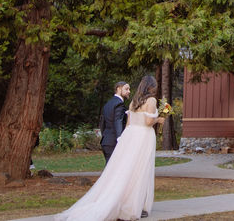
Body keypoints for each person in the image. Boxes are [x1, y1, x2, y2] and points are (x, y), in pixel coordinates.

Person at [55, 75, 164, 221]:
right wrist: (159, 119)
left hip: (131, 135)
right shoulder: (151, 100)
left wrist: (125, 140)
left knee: (126, 170)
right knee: (140, 170)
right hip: (143, 137)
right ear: (151, 87)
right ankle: (134, 205)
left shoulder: (134, 101)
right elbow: (149, 121)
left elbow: (128, 124)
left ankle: (125, 201)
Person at [98, 81, 130, 162]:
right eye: (126, 89)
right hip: (114, 142)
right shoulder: (119, 104)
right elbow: (118, 120)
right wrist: (120, 138)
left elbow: (102, 124)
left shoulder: (108, 104)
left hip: (106, 141)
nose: (129, 91)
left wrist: (105, 136)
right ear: (118, 89)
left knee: (109, 170)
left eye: (129, 89)